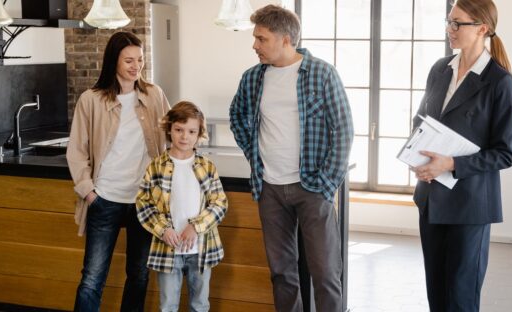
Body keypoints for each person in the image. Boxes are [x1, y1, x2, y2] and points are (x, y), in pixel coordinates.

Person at [228, 4, 353, 312]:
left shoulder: (322, 73)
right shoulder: (253, 77)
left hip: (312, 187)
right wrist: (254, 156)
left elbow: (343, 130)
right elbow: (238, 116)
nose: (254, 45)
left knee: (325, 273)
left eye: (261, 38)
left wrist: (326, 184)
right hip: (269, 188)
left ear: (285, 39)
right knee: (282, 273)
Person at [411, 0, 512, 310]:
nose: (450, 29)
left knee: (460, 296)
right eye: (449, 21)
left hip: (470, 205)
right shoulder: (440, 69)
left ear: (482, 28)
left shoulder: (500, 83)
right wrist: (418, 154)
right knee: (436, 292)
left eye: (458, 23)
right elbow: (421, 119)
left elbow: (505, 154)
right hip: (431, 198)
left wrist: (450, 163)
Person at [66, 31, 171, 312]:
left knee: (138, 275)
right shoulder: (91, 100)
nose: (136, 66)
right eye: (129, 61)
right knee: (92, 278)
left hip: (144, 202)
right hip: (105, 198)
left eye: (140, 59)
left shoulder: (154, 94)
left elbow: (173, 133)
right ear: (114, 61)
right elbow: (76, 150)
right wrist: (88, 192)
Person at [135, 101, 228, 312]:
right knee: (167, 305)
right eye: (179, 130)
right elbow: (143, 203)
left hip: (202, 249)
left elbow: (219, 203)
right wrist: (163, 229)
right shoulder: (156, 166)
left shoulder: (207, 167)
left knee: (200, 305)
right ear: (170, 130)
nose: (184, 136)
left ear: (199, 134)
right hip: (168, 249)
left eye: (191, 131)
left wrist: (195, 227)